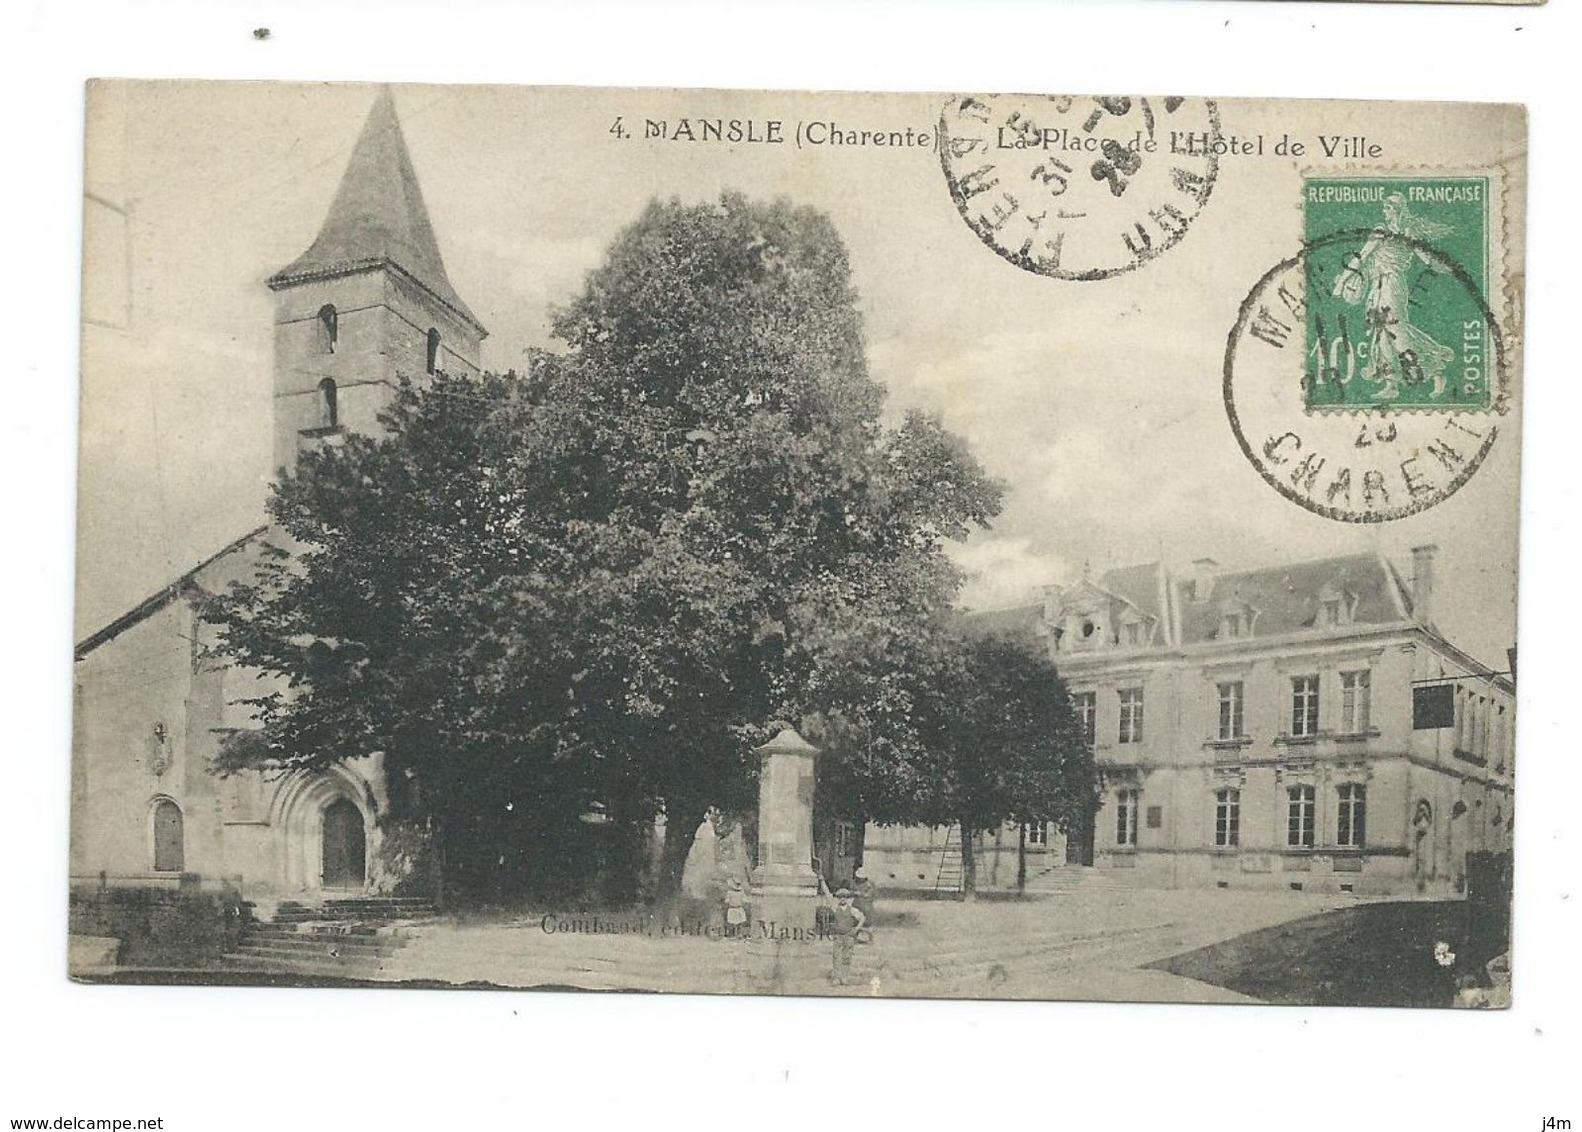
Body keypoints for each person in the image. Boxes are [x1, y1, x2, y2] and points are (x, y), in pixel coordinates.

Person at [819, 878, 866, 986]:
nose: (842, 899)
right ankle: (836, 977)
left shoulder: (852, 910)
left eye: (845, 897)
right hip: (838, 936)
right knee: (836, 957)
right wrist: (822, 881)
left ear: (848, 898)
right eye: (840, 897)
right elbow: (828, 895)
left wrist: (856, 929)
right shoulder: (835, 907)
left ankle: (844, 977)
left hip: (849, 936)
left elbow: (862, 917)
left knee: (847, 958)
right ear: (838, 898)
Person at [851, 867, 877, 943]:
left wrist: (861, 894)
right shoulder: (855, 883)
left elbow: (870, 894)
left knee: (867, 923)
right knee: (855, 921)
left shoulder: (869, 884)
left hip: (866, 905)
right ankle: (855, 937)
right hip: (857, 904)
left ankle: (870, 938)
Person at [723, 877, 749, 941]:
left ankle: (738, 934)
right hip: (733, 908)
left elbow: (727, 901)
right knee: (733, 922)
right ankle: (733, 934)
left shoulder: (740, 892)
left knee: (738, 922)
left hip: (738, 908)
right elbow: (727, 901)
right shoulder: (730, 892)